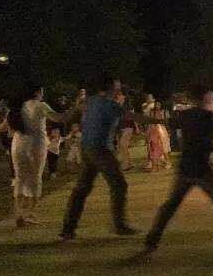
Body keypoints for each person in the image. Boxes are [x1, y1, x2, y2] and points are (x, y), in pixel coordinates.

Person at [145, 85, 213, 255]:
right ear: (205, 97)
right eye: (208, 95)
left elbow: (166, 122)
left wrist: (142, 119)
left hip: (185, 168)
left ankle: (152, 240)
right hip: (202, 169)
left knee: (171, 205)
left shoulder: (185, 115)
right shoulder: (207, 116)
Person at [61, 77, 162, 240]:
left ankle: (68, 228)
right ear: (110, 88)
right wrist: (161, 121)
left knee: (82, 189)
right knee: (119, 185)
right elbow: (134, 117)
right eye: (117, 86)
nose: (119, 88)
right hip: (100, 149)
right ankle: (120, 225)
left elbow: (69, 116)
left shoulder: (90, 101)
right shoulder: (109, 104)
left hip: (87, 148)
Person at [10, 87, 69, 227]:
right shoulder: (41, 105)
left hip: (18, 145)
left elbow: (7, 123)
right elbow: (57, 118)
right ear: (37, 92)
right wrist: (74, 110)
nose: (43, 94)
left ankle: (18, 212)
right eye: (42, 92)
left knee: (20, 178)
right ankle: (30, 213)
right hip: (36, 145)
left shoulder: (20, 106)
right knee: (36, 178)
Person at [145, 103, 172, 171]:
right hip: (153, 130)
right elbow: (149, 123)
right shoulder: (151, 113)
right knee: (152, 147)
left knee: (163, 147)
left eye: (159, 104)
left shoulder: (164, 112)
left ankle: (167, 162)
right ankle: (152, 163)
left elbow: (166, 122)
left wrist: (168, 131)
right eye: (156, 105)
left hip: (161, 130)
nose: (157, 106)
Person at [116, 93, 137, 171]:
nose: (118, 96)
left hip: (128, 127)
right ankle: (129, 163)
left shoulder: (128, 106)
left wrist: (137, 127)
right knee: (123, 146)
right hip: (120, 128)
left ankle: (125, 164)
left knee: (122, 145)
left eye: (120, 95)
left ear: (124, 97)